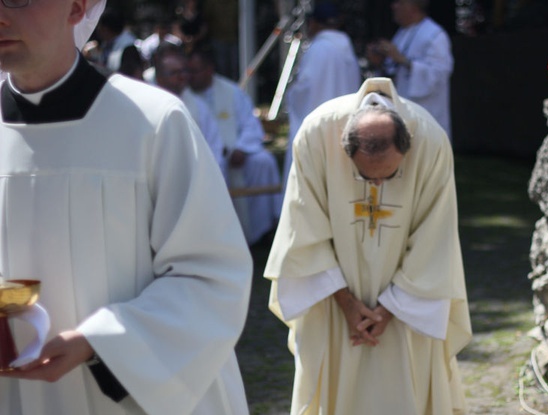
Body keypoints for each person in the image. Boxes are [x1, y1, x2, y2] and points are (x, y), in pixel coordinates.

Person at [0, 1, 263, 415]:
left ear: (77, 6)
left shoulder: (153, 122)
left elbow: (213, 276)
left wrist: (100, 342)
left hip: (134, 414)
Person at [264, 77, 472, 415]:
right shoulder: (316, 134)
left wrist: (392, 307)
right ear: (347, 151)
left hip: (406, 310)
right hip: (335, 303)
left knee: (405, 397)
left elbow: (437, 234)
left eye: (388, 176)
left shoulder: (430, 138)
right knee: (340, 394)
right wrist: (344, 301)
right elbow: (301, 225)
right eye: (365, 176)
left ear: (406, 146)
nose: (375, 188)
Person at [187, 45, 282, 246]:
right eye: (189, 71)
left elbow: (250, 124)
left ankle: (264, 230)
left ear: (209, 69)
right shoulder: (185, 97)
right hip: (204, 157)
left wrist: (241, 148)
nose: (191, 76)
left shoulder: (231, 92)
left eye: (195, 71)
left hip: (234, 155)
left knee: (263, 162)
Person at [282, 2, 361, 188]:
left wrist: (292, 93)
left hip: (316, 126)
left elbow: (305, 89)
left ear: (314, 24)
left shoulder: (318, 48)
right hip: (344, 125)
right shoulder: (347, 48)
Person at [366, 0, 454, 138]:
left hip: (427, 109)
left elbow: (440, 73)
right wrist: (380, 63)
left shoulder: (435, 35)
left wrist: (402, 60)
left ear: (413, 7)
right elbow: (395, 71)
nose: (393, 6)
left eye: (399, 3)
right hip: (403, 107)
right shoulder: (402, 32)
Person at [153, 43, 224, 164]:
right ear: (159, 78)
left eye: (184, 71)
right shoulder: (150, 104)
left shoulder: (199, 107)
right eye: (175, 73)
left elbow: (214, 144)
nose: (182, 77)